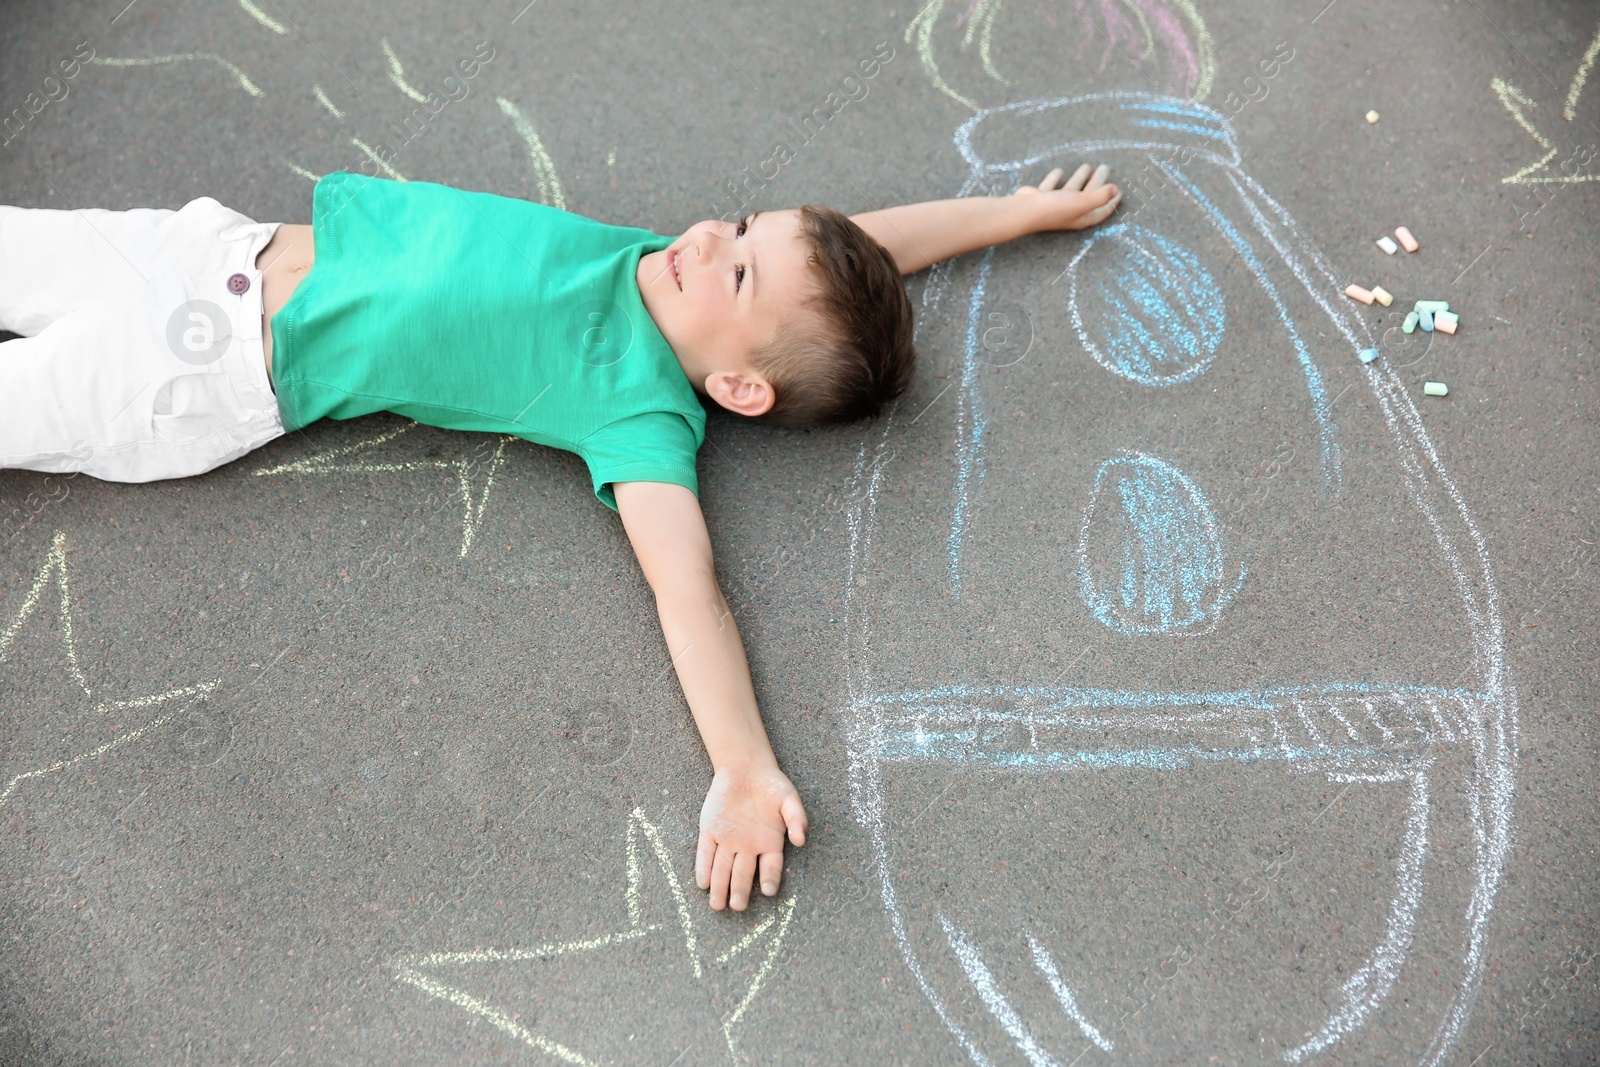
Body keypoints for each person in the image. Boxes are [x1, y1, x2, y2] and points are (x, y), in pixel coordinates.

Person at [0, 163, 1121, 911]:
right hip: (197, 252)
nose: (706, 238)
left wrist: (741, 763)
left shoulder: (634, 409)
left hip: (194, 370)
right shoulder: (662, 269)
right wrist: (1015, 213)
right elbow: (861, 243)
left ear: (735, 384)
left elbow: (692, 592)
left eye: (734, 267)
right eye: (739, 226)